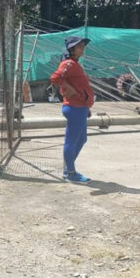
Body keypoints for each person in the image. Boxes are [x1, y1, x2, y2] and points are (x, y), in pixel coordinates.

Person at [49, 36, 94, 183]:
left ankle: (68, 168)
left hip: (80, 107)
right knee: (72, 140)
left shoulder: (74, 64)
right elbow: (55, 78)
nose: (82, 48)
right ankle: (70, 172)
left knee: (81, 139)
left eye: (82, 46)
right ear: (71, 49)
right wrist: (68, 88)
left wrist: (86, 106)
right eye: (79, 46)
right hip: (74, 107)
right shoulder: (68, 63)